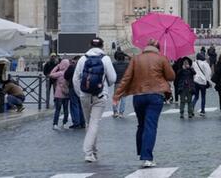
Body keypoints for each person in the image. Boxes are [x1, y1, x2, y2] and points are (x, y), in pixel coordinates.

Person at [113, 38, 175, 169]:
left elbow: (126, 78)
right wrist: (166, 64)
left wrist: (117, 95)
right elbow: (171, 77)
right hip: (155, 95)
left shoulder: (136, 58)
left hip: (139, 96)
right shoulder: (161, 58)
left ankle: (141, 152)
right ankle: (146, 157)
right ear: (158, 48)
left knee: (141, 125)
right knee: (150, 126)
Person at [72, 37, 117, 163]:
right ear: (102, 46)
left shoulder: (82, 59)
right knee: (94, 123)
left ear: (90, 45)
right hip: (100, 95)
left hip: (84, 95)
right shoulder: (106, 59)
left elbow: (75, 79)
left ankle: (94, 151)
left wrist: (80, 93)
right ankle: (88, 152)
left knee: (89, 124)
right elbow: (113, 79)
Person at [49, 56, 71, 129]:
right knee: (66, 110)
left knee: (57, 110)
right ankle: (64, 123)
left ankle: (55, 124)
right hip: (66, 93)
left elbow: (51, 74)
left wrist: (57, 66)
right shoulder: (68, 73)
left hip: (59, 94)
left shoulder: (60, 73)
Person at [64, 57, 86, 129]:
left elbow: (66, 76)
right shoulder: (84, 67)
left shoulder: (72, 67)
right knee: (81, 105)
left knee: (74, 105)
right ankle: (83, 122)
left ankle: (76, 122)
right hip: (83, 88)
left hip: (73, 87)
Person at [191, 51, 211, 116]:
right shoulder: (205, 64)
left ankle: (191, 108)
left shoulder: (194, 63)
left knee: (196, 96)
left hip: (196, 81)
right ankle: (202, 110)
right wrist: (209, 81)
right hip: (202, 82)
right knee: (203, 97)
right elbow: (208, 73)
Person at [111, 50, 131, 118]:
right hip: (125, 83)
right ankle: (121, 113)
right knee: (123, 98)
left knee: (116, 98)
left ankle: (115, 112)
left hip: (117, 82)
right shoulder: (127, 63)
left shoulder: (114, 64)